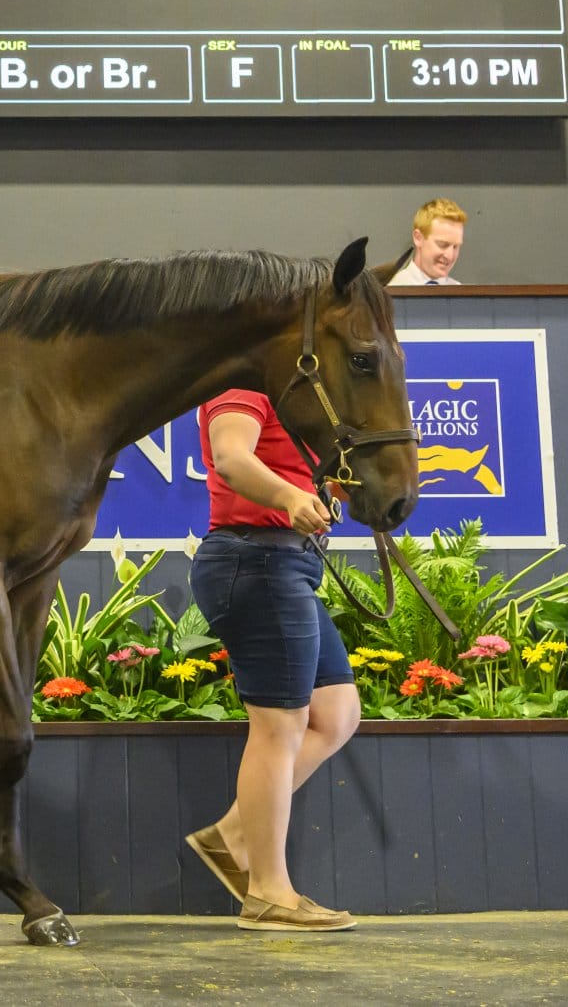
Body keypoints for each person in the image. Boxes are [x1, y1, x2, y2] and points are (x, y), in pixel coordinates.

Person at [182, 387, 360, 932]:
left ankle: (232, 836)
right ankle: (266, 892)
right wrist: (289, 497)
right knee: (278, 726)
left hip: (288, 563)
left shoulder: (288, 393)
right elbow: (233, 459)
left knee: (336, 713)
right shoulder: (240, 384)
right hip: (255, 559)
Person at [388, 198, 466, 285]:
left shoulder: (462, 295)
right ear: (418, 238)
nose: (450, 256)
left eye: (456, 246)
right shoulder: (392, 290)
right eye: (442, 245)